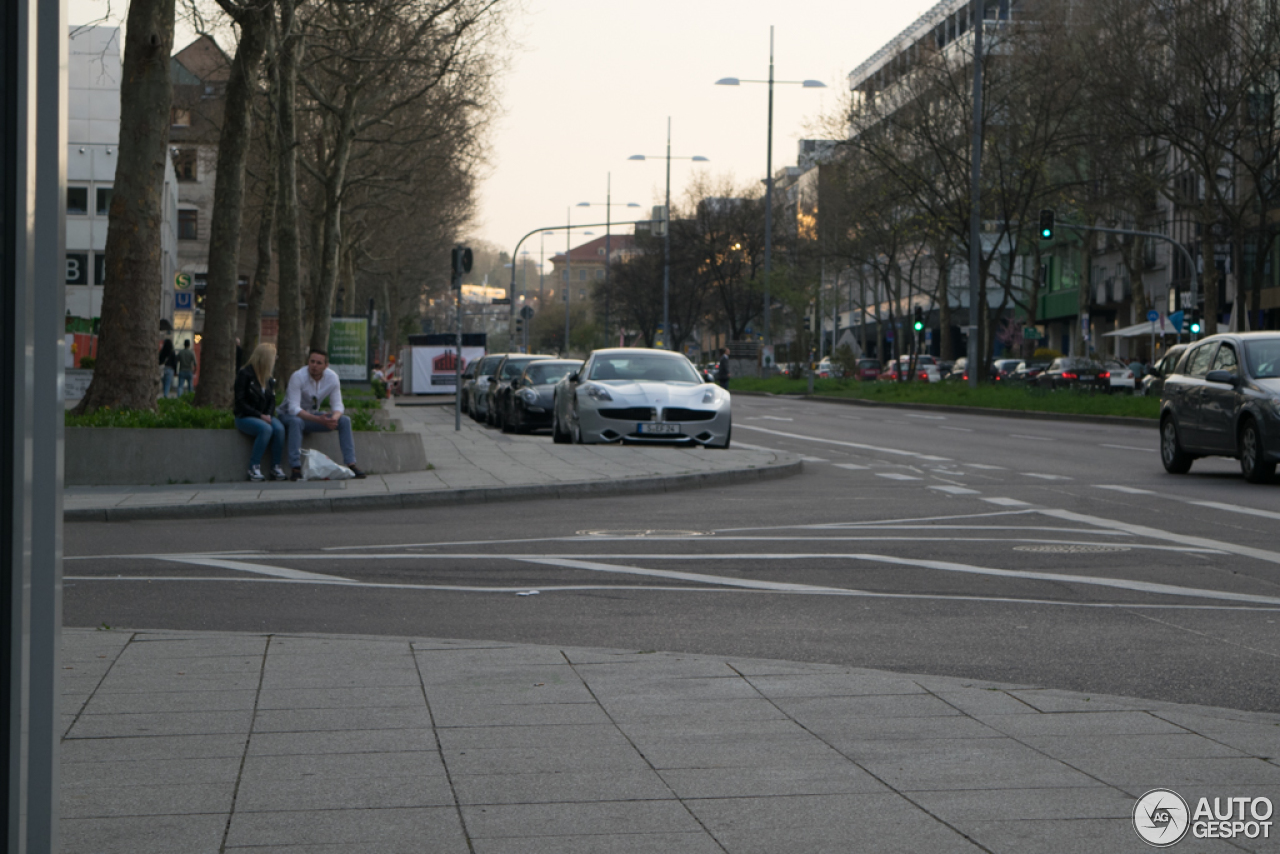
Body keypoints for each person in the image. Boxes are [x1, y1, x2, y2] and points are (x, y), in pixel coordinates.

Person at [279, 348, 366, 481]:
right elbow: (293, 409)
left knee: (344, 421)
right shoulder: (298, 376)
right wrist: (318, 419)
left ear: (326, 366)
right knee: (296, 422)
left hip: (313, 416)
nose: (314, 365)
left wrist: (333, 420)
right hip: (289, 416)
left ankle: (351, 464)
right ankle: (295, 468)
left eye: (319, 363)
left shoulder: (332, 378)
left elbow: (338, 406)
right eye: (312, 361)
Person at [234, 344, 287, 482]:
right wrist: (260, 416)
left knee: (279, 429)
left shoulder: (268, 378)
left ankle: (275, 467)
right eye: (274, 356)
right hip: (245, 416)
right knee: (265, 429)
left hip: (265, 415)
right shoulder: (244, 374)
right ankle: (254, 467)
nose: (275, 359)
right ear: (266, 358)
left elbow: (272, 401)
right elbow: (240, 401)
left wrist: (268, 414)